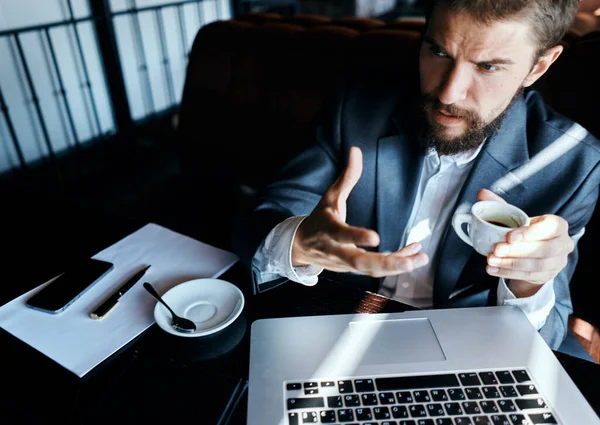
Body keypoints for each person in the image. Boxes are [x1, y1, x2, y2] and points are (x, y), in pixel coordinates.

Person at [232, 0, 600, 351]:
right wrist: (297, 242)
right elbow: (266, 216)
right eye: (438, 51)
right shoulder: (357, 106)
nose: (448, 92)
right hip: (334, 323)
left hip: (468, 349)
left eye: (487, 67)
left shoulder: (574, 163)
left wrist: (528, 284)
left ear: (539, 66)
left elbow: (549, 334)